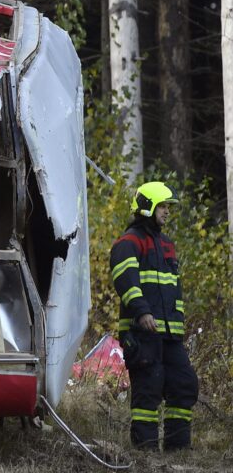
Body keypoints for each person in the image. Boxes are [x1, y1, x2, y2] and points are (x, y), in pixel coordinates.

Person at [111, 181, 198, 450]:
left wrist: (179, 326)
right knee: (148, 390)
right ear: (147, 207)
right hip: (141, 333)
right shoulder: (128, 242)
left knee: (184, 384)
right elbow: (125, 280)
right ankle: (145, 453)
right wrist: (142, 312)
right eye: (162, 205)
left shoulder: (167, 245)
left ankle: (178, 450)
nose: (167, 211)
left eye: (168, 206)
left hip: (169, 334)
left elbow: (175, 290)